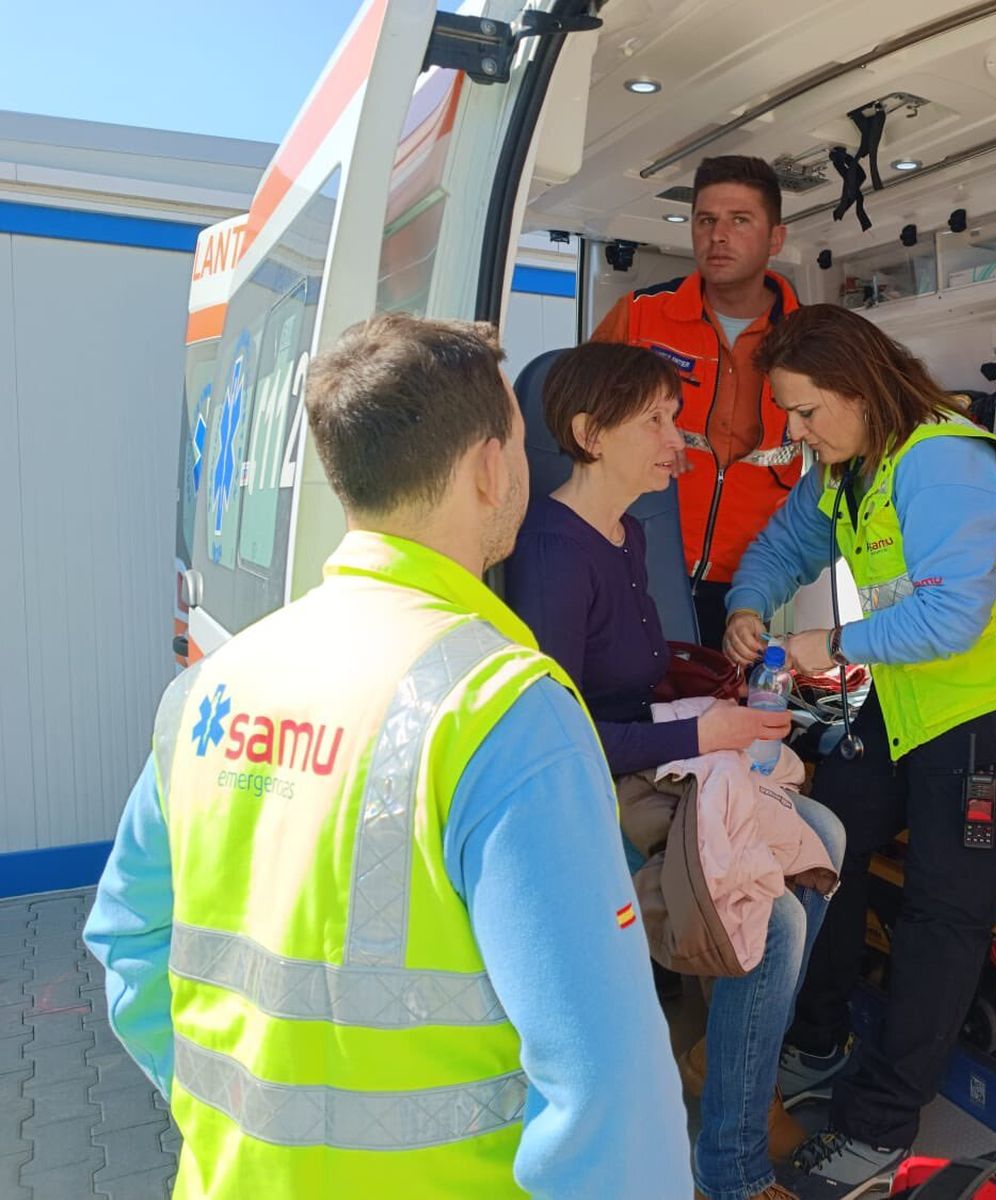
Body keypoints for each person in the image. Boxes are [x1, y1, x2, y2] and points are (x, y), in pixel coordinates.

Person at [82, 314, 689, 1199]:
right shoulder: (501, 709)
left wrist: (227, 1124)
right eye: (522, 448)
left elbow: (128, 938)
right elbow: (606, 1087)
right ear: (491, 468)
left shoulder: (211, 689)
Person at [721, 305, 996, 1197]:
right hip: (919, 697)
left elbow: (953, 616)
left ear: (858, 387)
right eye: (788, 416)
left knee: (941, 912)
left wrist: (832, 642)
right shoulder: (848, 467)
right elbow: (782, 545)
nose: (796, 433)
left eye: (806, 412)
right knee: (826, 841)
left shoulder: (943, 462)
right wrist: (749, 604)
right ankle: (820, 1038)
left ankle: (877, 1129)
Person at [506, 340, 845, 1200]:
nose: (678, 438)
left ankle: (719, 1056)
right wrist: (704, 737)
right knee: (777, 923)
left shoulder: (621, 533)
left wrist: (727, 703)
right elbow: (567, 735)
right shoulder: (553, 552)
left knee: (826, 839)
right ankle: (730, 1161)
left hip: (645, 762)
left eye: (674, 416)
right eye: (655, 421)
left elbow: (638, 677)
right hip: (592, 791)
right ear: (588, 433)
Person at [591, 155, 801, 649]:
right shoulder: (640, 318)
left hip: (744, 586)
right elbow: (577, 424)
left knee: (717, 714)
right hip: (633, 559)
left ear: (775, 239)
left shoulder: (808, 340)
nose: (718, 235)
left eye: (739, 220)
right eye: (705, 220)